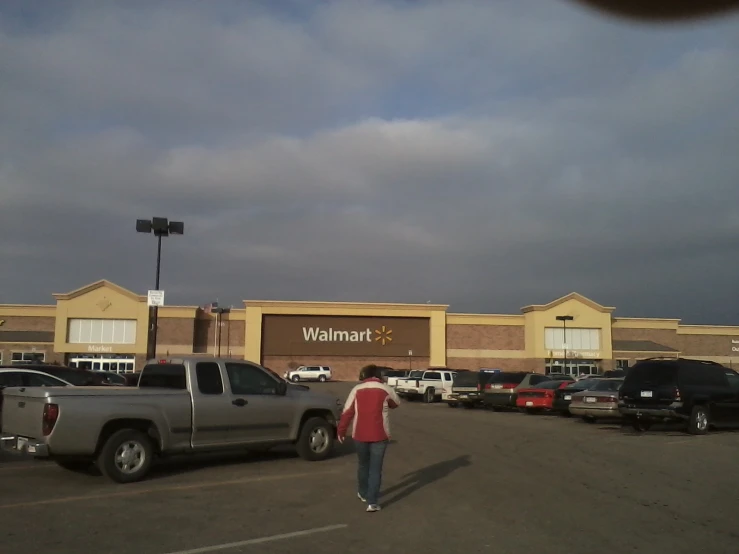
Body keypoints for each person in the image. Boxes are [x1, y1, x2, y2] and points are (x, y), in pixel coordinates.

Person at [337, 364, 401, 512]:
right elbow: (396, 403)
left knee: (363, 464)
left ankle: (363, 492)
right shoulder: (385, 389)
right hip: (380, 435)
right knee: (375, 469)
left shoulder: (356, 390)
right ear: (379, 375)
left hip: (359, 434)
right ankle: (372, 502)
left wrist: (341, 431)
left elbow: (347, 412)